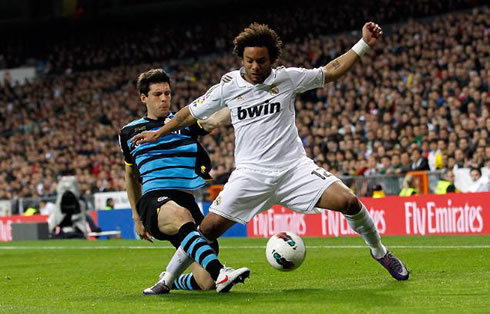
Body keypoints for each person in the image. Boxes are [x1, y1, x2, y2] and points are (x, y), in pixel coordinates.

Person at [133, 23, 409, 281]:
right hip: (250, 176)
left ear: (272, 59)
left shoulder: (288, 79)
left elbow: (332, 70)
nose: (254, 66)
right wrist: (158, 132)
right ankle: (166, 279)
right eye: (249, 60)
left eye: (261, 61)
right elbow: (188, 114)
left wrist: (363, 43)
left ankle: (380, 252)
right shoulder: (228, 87)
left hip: (294, 170)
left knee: (349, 202)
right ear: (241, 58)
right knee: (205, 231)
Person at [120, 69, 249, 295]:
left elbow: (216, 119)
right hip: (154, 200)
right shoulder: (129, 132)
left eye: (167, 93)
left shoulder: (184, 122)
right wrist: (135, 215)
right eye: (158, 94)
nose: (164, 99)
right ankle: (222, 273)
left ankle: (170, 280)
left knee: (205, 282)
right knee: (181, 216)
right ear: (143, 98)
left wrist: (244, 95)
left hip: (186, 200)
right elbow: (130, 176)